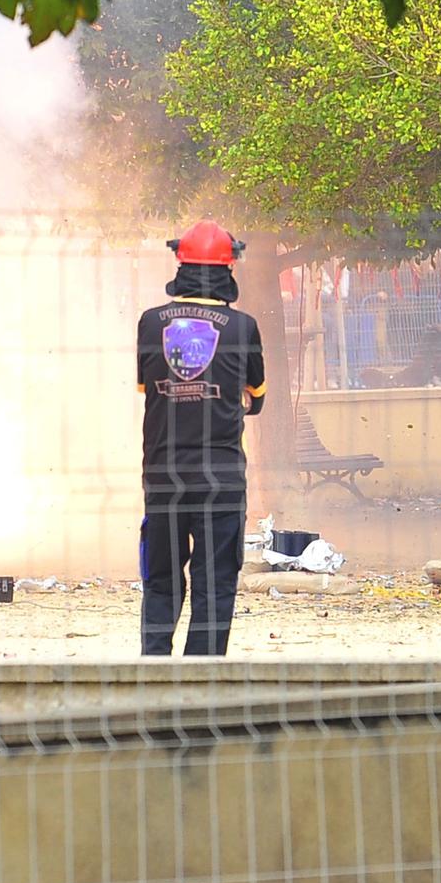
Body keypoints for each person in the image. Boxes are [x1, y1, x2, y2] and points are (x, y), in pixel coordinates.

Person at [137, 221, 265, 656]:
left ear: (180, 264)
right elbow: (256, 396)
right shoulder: (242, 327)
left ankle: (153, 674)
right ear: (229, 268)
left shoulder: (150, 323)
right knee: (215, 582)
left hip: (163, 476)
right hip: (221, 480)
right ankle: (203, 685)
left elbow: (145, 389)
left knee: (161, 577)